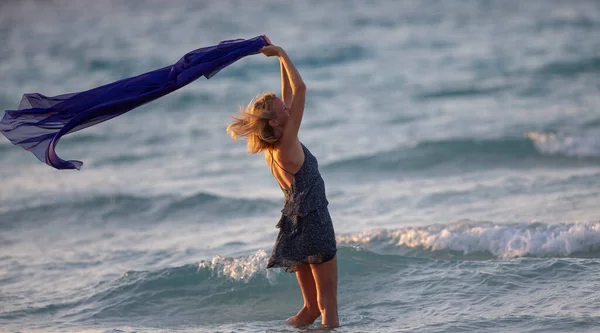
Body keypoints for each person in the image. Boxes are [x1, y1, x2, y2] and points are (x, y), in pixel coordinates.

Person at [226, 36, 339, 329]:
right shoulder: (288, 143)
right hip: (315, 222)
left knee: (310, 308)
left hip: (294, 228)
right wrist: (283, 53)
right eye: (283, 111)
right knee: (328, 308)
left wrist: (278, 60)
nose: (289, 109)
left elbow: (288, 95)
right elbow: (300, 89)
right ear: (275, 122)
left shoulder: (272, 151)